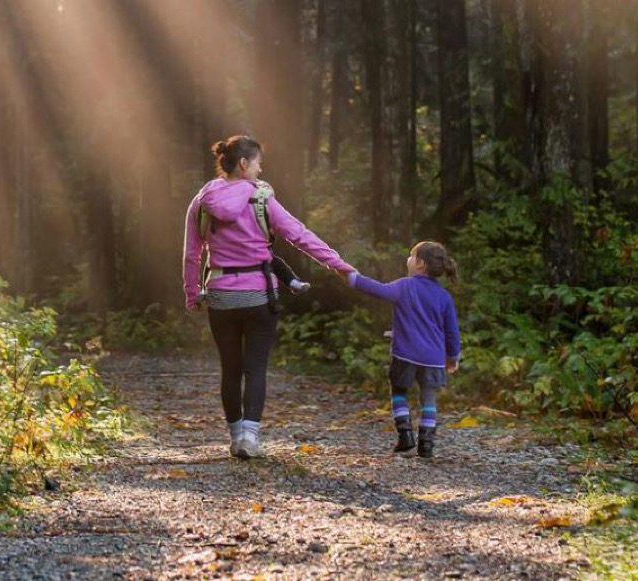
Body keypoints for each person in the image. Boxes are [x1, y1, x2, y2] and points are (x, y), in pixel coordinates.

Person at [183, 135, 356, 459]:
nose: (261, 169)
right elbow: (299, 235)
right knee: (256, 368)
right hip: (259, 295)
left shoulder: (203, 199)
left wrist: (193, 293)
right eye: (258, 162)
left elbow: (192, 253)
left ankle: (235, 439)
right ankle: (250, 437)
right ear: (245, 163)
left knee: (230, 369)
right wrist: (339, 265)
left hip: (221, 295)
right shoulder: (261, 198)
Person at [347, 241, 461, 458]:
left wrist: (353, 277)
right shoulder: (444, 297)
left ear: (419, 264)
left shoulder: (405, 286)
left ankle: (405, 434)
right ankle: (426, 444)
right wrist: (453, 357)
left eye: (411, 255)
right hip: (433, 359)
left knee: (398, 391)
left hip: (405, 355)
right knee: (429, 398)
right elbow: (451, 332)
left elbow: (377, 289)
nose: (407, 259)